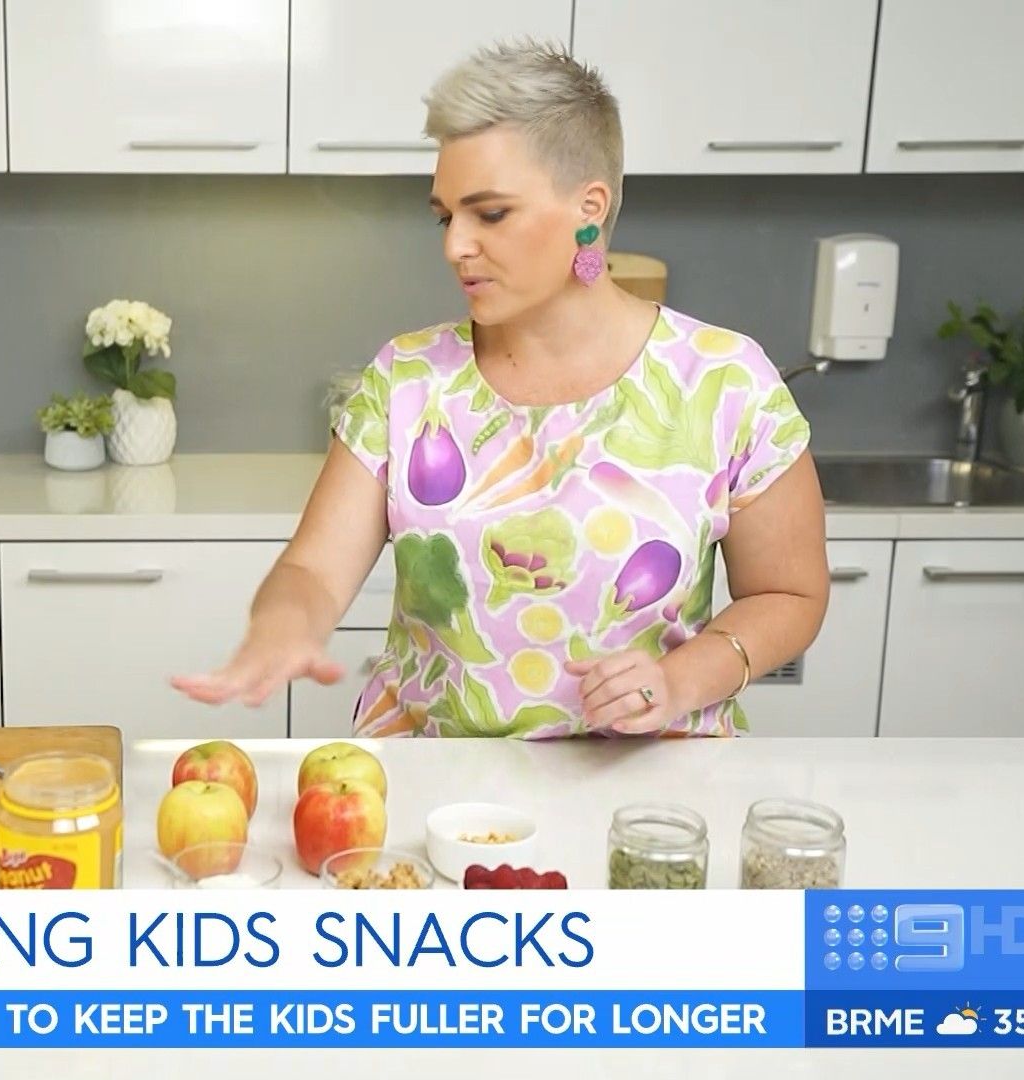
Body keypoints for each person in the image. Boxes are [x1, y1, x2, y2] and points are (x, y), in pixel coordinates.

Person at [173, 40, 828, 738]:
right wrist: (283, 625)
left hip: (648, 782)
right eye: (444, 216)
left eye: (489, 215)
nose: (454, 245)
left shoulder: (725, 382)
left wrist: (681, 680)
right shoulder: (408, 380)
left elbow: (789, 594)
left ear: (589, 209)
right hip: (431, 778)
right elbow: (313, 570)